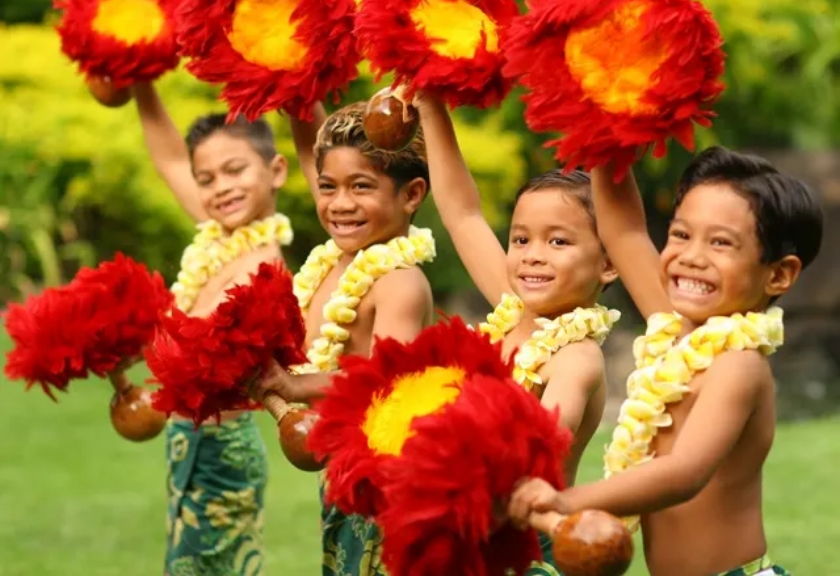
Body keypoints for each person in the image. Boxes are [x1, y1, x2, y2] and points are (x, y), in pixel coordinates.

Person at [508, 147, 823, 576]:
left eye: (720, 243)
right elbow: (624, 230)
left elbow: (683, 473)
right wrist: (600, 128)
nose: (692, 256)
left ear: (778, 275)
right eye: (680, 235)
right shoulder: (672, 331)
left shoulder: (740, 364)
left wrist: (566, 500)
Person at [413, 92, 620, 575]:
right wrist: (430, 108)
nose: (532, 254)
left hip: (524, 553)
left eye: (558, 241)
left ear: (608, 262)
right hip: (465, 531)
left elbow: (540, 445)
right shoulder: (511, 308)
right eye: (521, 238)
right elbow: (462, 213)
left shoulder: (576, 357)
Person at [255, 101, 436, 576]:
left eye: (362, 187)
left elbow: (385, 383)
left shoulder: (399, 282)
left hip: (389, 483)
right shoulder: (334, 262)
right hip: (344, 473)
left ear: (412, 194)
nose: (340, 204)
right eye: (328, 187)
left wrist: (296, 387)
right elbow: (309, 142)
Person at [132, 82, 293, 576]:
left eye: (235, 170)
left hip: (225, 448)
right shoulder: (219, 237)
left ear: (277, 170)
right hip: (186, 439)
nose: (220, 187)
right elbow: (169, 160)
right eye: (207, 179)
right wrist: (141, 81)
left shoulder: (266, 267)